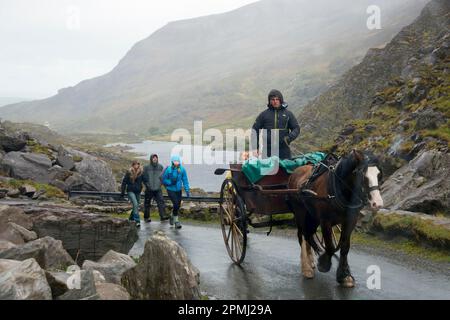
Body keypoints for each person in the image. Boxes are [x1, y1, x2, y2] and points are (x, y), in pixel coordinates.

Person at [251, 89, 300, 160]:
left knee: (285, 171)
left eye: (277, 99)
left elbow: (296, 128)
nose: (275, 101)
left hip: (284, 150)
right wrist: (255, 147)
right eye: (273, 99)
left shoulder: (288, 114)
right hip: (268, 151)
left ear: (281, 100)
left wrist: (288, 138)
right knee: (269, 171)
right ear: (269, 101)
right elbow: (254, 130)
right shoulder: (264, 115)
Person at [161, 155, 190, 229]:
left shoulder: (182, 169)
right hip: (170, 189)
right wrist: (170, 182)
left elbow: (185, 180)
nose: (176, 163)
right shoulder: (168, 169)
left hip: (178, 190)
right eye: (175, 161)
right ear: (172, 162)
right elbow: (164, 179)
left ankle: (172, 216)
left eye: (177, 161)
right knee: (176, 204)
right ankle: (176, 221)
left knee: (178, 205)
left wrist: (187, 190)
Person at [142, 154, 169, 223]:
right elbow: (144, 178)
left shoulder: (160, 167)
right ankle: (146, 217)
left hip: (158, 189)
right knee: (147, 204)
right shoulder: (146, 167)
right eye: (153, 158)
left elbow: (162, 177)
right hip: (149, 189)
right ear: (151, 159)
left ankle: (163, 216)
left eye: (156, 158)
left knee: (161, 202)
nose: (155, 159)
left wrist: (160, 184)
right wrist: (148, 186)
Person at [121, 160, 144, 227]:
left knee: (136, 206)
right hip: (130, 191)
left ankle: (131, 218)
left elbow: (145, 180)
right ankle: (137, 221)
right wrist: (122, 191)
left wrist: (149, 186)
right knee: (135, 204)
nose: (136, 166)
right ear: (133, 165)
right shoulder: (129, 172)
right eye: (135, 164)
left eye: (138, 164)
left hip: (138, 191)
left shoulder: (141, 172)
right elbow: (124, 182)